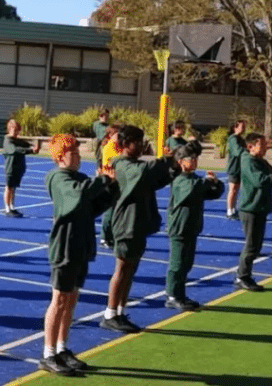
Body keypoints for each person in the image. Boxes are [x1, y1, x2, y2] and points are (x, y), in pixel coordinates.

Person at [38, 134, 114, 376]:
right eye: (74, 154)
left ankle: (62, 347)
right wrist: (101, 180)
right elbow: (78, 195)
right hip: (64, 246)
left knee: (71, 299)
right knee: (59, 299)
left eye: (80, 154)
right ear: (60, 157)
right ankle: (48, 352)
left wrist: (111, 187)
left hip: (81, 244)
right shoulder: (57, 178)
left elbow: (93, 207)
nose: (79, 158)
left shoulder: (79, 178)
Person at [101, 125, 178, 333]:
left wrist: (173, 168)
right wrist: (164, 160)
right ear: (126, 145)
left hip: (138, 222)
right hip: (126, 223)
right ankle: (110, 313)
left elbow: (155, 180)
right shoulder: (122, 165)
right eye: (139, 142)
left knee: (130, 269)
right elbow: (144, 172)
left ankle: (119, 311)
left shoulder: (135, 164)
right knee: (122, 268)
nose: (143, 145)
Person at [164, 141, 223, 310]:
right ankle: (172, 295)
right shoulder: (179, 180)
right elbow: (191, 189)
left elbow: (212, 193)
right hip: (179, 227)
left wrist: (216, 183)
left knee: (186, 263)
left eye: (196, 158)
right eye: (191, 159)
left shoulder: (195, 180)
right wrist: (207, 182)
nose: (194, 161)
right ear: (181, 161)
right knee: (177, 263)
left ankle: (180, 294)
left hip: (191, 226)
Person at [235, 133, 272, 290]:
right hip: (250, 208)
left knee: (256, 245)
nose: (266, 148)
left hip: (261, 207)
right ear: (251, 146)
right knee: (251, 245)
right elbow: (260, 181)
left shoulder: (262, 162)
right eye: (262, 145)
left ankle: (245, 275)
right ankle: (242, 276)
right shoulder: (248, 161)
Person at [2, 118, 40, 217]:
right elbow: (15, 150)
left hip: (18, 167)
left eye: (18, 130)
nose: (16, 132)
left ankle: (12, 206)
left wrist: (34, 147)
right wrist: (30, 150)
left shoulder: (17, 140)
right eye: (15, 130)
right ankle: (7, 208)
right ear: (9, 129)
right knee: (9, 187)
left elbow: (26, 144)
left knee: (13, 188)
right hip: (10, 167)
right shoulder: (8, 141)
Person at [97, 124, 122, 248]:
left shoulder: (118, 147)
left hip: (118, 181)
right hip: (110, 182)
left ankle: (112, 236)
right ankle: (104, 237)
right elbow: (118, 160)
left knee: (117, 211)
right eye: (118, 134)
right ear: (112, 135)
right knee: (110, 211)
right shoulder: (109, 147)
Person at [225, 120, 247, 220]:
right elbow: (237, 151)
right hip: (234, 167)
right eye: (242, 126)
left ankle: (234, 209)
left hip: (240, 167)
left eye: (244, 127)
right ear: (235, 127)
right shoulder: (233, 139)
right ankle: (229, 211)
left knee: (237, 189)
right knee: (232, 189)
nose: (243, 129)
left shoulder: (241, 139)